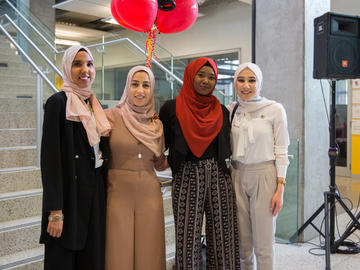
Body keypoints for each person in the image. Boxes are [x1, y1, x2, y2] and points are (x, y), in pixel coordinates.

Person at [159, 57, 241, 269]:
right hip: (186, 175)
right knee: (187, 238)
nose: (206, 81)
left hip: (218, 176)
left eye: (212, 77)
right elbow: (162, 143)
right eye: (201, 75)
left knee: (224, 237)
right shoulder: (171, 108)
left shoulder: (222, 110)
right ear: (190, 76)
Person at [40, 45, 111, 270]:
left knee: (91, 259)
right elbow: (50, 160)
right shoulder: (58, 103)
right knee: (63, 259)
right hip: (69, 198)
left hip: (95, 193)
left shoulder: (93, 105)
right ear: (67, 67)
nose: (85, 70)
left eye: (89, 64)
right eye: (77, 64)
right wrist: (55, 211)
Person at [104, 66, 167, 270]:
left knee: (149, 251)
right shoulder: (112, 116)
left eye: (146, 85)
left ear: (152, 90)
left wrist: (183, 152)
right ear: (127, 87)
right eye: (135, 84)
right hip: (117, 193)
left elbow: (159, 163)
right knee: (117, 250)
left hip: (149, 192)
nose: (140, 90)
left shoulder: (156, 124)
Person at [228, 62, 290, 270]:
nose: (246, 85)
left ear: (259, 82)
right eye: (241, 80)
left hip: (264, 175)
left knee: (263, 244)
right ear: (235, 82)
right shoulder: (231, 110)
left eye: (251, 80)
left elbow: (282, 150)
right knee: (242, 243)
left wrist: (280, 187)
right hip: (236, 174)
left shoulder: (275, 110)